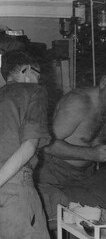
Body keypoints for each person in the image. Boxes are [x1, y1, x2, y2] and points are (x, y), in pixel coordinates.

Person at [35, 63, 106, 221]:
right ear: (103, 82)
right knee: (52, 224)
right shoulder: (78, 103)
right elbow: (46, 144)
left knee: (81, 224)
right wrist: (90, 153)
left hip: (84, 175)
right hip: (53, 171)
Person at [0, 49, 51, 239]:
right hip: (13, 187)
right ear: (26, 70)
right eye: (38, 75)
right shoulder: (34, 91)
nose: (39, 80)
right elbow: (29, 146)